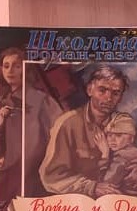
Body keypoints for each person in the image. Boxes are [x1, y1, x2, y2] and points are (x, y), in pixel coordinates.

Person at [0, 46, 61, 211]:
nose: (10, 71)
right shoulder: (0, 101)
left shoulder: (42, 100)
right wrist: (0, 123)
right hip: (8, 172)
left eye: (16, 66)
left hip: (35, 173)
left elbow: (60, 133)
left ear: (25, 68)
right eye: (6, 66)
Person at [39, 64, 128, 197]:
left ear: (121, 97)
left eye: (115, 93)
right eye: (102, 90)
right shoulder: (67, 124)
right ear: (89, 90)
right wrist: (91, 187)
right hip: (75, 202)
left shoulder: (125, 125)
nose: (109, 98)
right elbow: (51, 176)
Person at [100, 113, 137, 199]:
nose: (112, 140)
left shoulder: (122, 156)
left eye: (118, 135)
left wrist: (104, 156)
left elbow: (108, 183)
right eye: (109, 135)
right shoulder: (135, 152)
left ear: (131, 139)